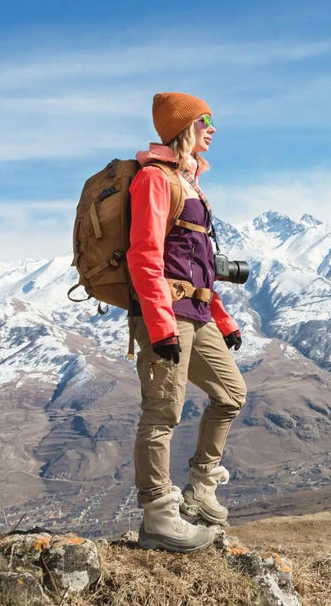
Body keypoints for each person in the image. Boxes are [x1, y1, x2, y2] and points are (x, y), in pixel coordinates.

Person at [126, 91, 246, 552]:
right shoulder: (156, 180)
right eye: (204, 121)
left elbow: (197, 261)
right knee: (162, 412)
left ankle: (201, 488)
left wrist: (223, 318)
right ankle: (159, 516)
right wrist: (159, 325)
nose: (212, 129)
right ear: (182, 128)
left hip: (197, 312)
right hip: (167, 315)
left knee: (232, 394)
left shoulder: (190, 180)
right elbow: (145, 257)